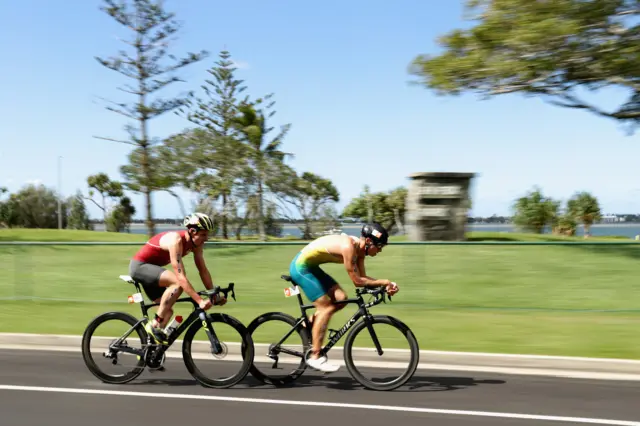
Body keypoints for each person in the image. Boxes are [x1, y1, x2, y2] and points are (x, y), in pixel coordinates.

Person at [288, 222, 399, 373]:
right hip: (300, 268)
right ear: (368, 241)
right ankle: (315, 356)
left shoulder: (360, 253)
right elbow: (357, 281)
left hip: (311, 268)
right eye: (379, 246)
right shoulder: (349, 248)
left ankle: (309, 324)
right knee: (325, 308)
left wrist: (385, 286)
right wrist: (384, 282)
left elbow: (364, 278)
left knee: (341, 298)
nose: (379, 250)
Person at [128, 212, 225, 344]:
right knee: (177, 284)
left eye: (207, 234)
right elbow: (180, 277)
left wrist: (213, 294)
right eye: (203, 234)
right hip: (140, 267)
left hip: (154, 271)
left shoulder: (195, 244)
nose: (206, 238)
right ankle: (154, 324)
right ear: (192, 231)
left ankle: (151, 350)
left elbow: (203, 270)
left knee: (167, 312)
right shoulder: (176, 241)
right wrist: (199, 301)